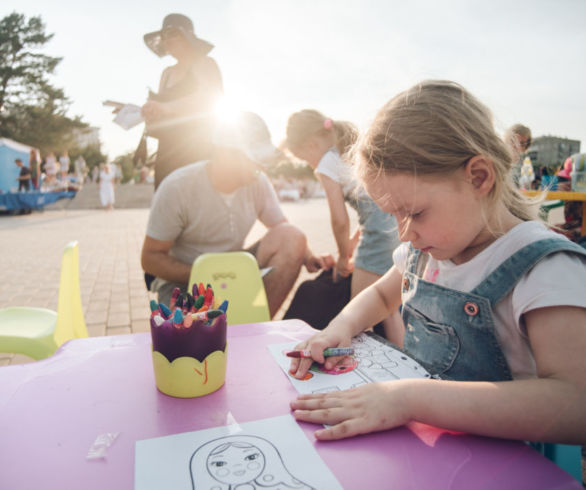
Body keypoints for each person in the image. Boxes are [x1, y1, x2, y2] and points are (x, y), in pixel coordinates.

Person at [289, 80, 586, 446]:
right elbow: (382, 298)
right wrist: (340, 327)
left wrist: (408, 399)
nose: (404, 234)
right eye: (393, 215)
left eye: (414, 212)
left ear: (478, 177)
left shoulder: (543, 267)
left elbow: (576, 403)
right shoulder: (425, 253)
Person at [141, 111, 323, 314]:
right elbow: (150, 258)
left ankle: (257, 324)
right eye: (254, 159)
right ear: (225, 154)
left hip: (234, 272)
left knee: (292, 237)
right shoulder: (178, 187)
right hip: (185, 281)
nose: (261, 167)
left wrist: (309, 256)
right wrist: (208, 275)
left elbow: (283, 228)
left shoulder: (257, 181)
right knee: (193, 341)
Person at [284, 109, 402, 341]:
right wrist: (350, 245)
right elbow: (374, 208)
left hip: (379, 233)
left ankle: (373, 366)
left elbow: (339, 220)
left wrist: (341, 258)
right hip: (396, 225)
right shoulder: (350, 151)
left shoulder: (327, 163)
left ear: (311, 144)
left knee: (361, 311)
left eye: (304, 158)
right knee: (388, 306)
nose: (309, 164)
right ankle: (408, 360)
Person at [142, 13, 223, 189]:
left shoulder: (205, 63)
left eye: (172, 34)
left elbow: (209, 98)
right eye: (163, 36)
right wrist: (142, 112)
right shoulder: (166, 73)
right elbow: (162, 110)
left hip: (197, 147)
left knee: (197, 207)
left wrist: (165, 107)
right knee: (167, 209)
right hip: (167, 151)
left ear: (187, 37)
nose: (166, 40)